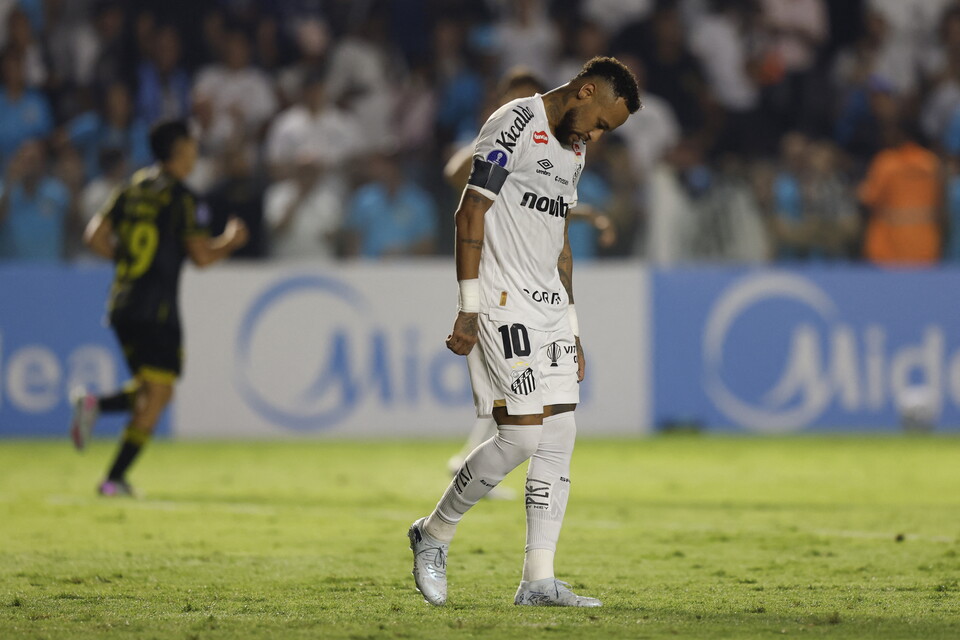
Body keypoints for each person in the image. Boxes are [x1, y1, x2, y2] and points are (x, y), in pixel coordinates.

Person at [407, 56, 641, 608]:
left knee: (560, 435)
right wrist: (468, 307)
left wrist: (574, 323)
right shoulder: (514, 123)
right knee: (522, 436)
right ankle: (433, 535)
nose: (600, 136)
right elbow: (470, 212)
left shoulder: (575, 151)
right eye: (603, 122)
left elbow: (559, 239)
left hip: (551, 307)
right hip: (502, 301)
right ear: (585, 91)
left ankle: (537, 580)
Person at [69, 120, 249, 496]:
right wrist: (230, 241)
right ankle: (113, 479)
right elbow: (201, 257)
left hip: (122, 303)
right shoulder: (184, 198)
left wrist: (128, 261)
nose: (196, 151)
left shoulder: (131, 187)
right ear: (179, 149)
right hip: (157, 310)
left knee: (157, 391)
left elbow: (94, 236)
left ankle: (94, 406)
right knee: (158, 395)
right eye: (192, 145)